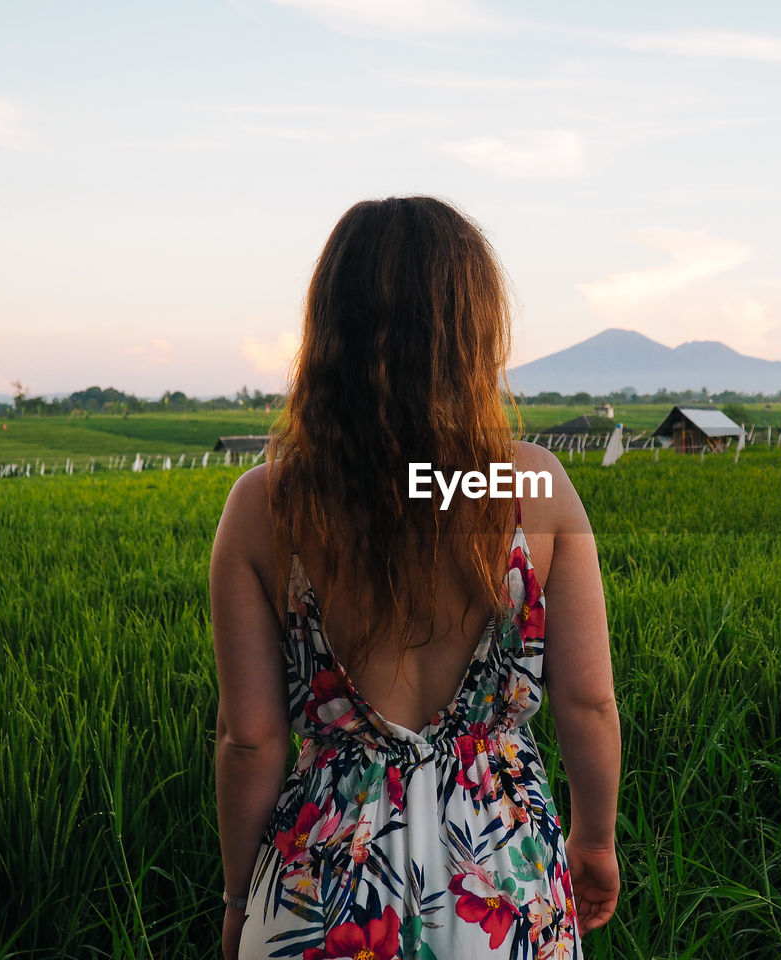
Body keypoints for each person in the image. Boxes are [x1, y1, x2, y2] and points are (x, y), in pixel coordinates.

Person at [210, 196, 621, 960]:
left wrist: (241, 897)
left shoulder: (266, 506)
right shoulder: (532, 488)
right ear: (474, 332)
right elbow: (589, 701)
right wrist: (594, 841)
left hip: (319, 893)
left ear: (330, 329)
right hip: (502, 881)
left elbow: (250, 738)